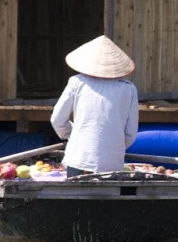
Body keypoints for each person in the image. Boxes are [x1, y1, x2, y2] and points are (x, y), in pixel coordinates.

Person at [50, 35, 139, 175]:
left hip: (78, 158)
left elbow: (57, 119)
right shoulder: (128, 88)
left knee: (73, 196)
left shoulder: (77, 82)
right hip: (112, 163)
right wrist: (113, 145)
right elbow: (131, 133)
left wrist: (73, 135)